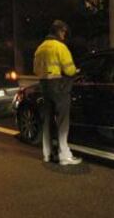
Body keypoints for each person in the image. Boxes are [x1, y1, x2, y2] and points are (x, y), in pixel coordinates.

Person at [33, 20, 82, 165]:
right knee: (62, 121)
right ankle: (64, 155)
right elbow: (69, 69)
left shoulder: (40, 48)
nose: (64, 35)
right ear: (58, 31)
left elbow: (36, 70)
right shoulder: (60, 47)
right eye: (63, 32)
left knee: (47, 120)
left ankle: (47, 155)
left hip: (44, 86)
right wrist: (75, 71)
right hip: (59, 87)